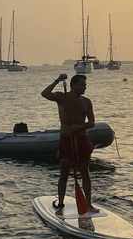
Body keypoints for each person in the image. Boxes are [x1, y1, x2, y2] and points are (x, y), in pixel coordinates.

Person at [41, 73, 99, 215]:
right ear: (73, 85)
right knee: (64, 173)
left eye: (85, 85)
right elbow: (45, 93)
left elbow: (92, 123)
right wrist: (57, 80)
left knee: (85, 172)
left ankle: (89, 204)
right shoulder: (62, 97)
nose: (85, 87)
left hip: (82, 140)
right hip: (66, 141)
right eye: (82, 85)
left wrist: (78, 127)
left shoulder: (87, 102)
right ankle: (60, 205)